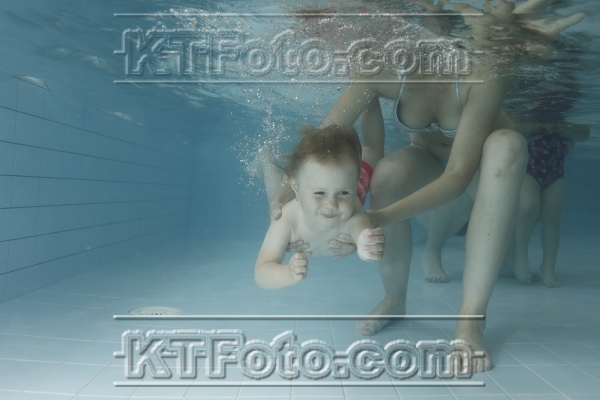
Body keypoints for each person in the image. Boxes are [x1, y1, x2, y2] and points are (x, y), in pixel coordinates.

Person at [268, 0, 585, 372]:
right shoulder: (377, 67)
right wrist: (285, 194)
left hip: (484, 172)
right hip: (429, 162)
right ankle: (394, 300)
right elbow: (322, 141)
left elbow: (458, 176)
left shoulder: (483, 69)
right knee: (387, 174)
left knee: (508, 143)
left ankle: (471, 320)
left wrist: (376, 218)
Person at [253, 125, 385, 290]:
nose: (331, 205)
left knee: (372, 154)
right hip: (307, 192)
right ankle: (266, 158)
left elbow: (362, 232)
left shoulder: (352, 213)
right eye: (320, 193)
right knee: (275, 196)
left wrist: (367, 245)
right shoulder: (287, 220)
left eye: (343, 193)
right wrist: (287, 274)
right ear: (296, 188)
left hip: (353, 183)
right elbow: (261, 272)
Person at [509, 122, 590, 287]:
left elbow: (584, 134)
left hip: (555, 173)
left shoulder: (562, 118)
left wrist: (566, 128)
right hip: (527, 170)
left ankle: (548, 266)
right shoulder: (528, 116)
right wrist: (538, 123)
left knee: (552, 220)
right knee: (527, 208)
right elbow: (511, 130)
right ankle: (521, 256)